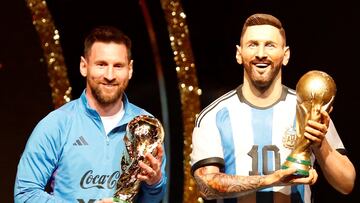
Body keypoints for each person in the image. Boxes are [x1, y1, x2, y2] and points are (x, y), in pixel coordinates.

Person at [190, 13, 355, 203]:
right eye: (253, 44)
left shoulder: (309, 109)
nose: (261, 53)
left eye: (270, 45)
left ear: (286, 55)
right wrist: (274, 179)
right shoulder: (213, 115)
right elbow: (205, 187)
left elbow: (347, 183)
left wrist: (320, 144)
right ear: (238, 53)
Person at [14, 25, 167, 203]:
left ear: (130, 69)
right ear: (84, 66)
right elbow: (25, 194)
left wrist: (155, 183)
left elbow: (152, 200)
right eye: (101, 65)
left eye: (118, 66)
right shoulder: (56, 124)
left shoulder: (146, 126)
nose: (110, 75)